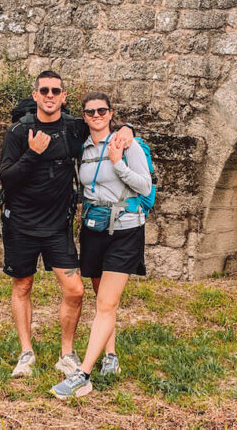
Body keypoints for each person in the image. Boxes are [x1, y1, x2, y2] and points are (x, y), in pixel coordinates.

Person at [0, 71, 133, 379]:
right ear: (35, 96)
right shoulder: (19, 131)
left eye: (55, 90)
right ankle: (26, 352)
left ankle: (66, 353)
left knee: (74, 290)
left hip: (57, 225)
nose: (49, 95)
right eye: (43, 90)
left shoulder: (73, 128)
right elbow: (7, 177)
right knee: (23, 285)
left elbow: (103, 126)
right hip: (21, 223)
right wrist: (32, 155)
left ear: (63, 96)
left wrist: (127, 127)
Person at [52, 91, 152, 400]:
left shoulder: (126, 144)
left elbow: (145, 185)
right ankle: (111, 355)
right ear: (84, 116)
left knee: (107, 304)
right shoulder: (82, 147)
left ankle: (83, 375)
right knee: (100, 297)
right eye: (90, 112)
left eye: (102, 111)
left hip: (125, 230)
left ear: (111, 114)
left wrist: (118, 163)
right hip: (94, 231)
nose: (96, 116)